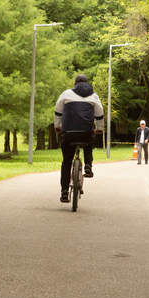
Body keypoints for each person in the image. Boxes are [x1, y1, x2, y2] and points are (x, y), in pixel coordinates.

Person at [54, 74, 104, 203]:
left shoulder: (66, 94)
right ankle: (88, 166)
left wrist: (57, 126)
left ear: (75, 84)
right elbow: (99, 113)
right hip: (85, 133)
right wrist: (99, 128)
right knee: (89, 140)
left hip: (68, 133)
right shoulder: (93, 96)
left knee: (66, 162)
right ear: (87, 83)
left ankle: (64, 192)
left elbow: (58, 111)